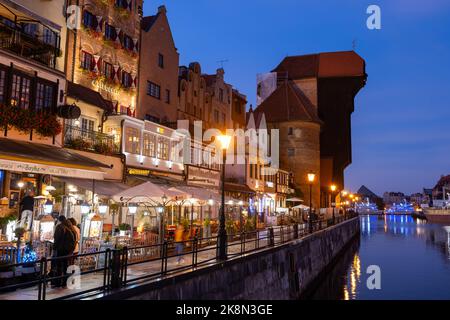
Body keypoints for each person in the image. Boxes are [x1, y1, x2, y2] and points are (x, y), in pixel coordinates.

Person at [52, 216, 76, 288]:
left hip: (60, 249)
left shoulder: (60, 227)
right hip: (68, 250)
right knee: (66, 265)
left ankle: (58, 282)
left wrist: (54, 248)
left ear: (59, 220)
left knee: (58, 266)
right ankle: (65, 282)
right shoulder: (71, 227)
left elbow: (57, 239)